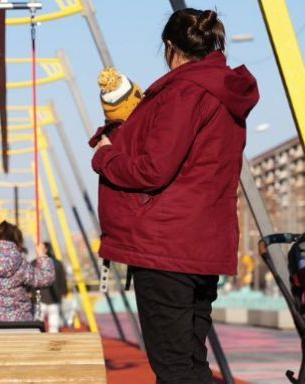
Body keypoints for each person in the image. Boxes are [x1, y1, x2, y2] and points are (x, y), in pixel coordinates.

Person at [89, 8, 259, 383]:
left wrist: (105, 155)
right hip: (203, 246)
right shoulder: (223, 92)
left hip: (166, 247)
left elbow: (153, 169)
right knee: (191, 362)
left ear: (170, 46)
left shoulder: (184, 92)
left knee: (173, 367)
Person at [35, 242, 67, 332]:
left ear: (45, 249)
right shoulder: (58, 263)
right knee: (54, 326)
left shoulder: (35, 263)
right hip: (54, 299)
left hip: (40, 299)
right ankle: (53, 342)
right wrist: (64, 291)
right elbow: (63, 279)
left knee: (37, 326)